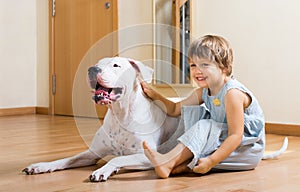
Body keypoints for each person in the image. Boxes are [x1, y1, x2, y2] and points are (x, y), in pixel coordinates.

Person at [140, 34, 265, 179]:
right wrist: (155, 95)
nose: (197, 71)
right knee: (196, 115)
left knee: (205, 124)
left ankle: (168, 162)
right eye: (193, 65)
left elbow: (236, 136)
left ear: (224, 67)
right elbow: (175, 109)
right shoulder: (203, 92)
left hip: (246, 150)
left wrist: (211, 161)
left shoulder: (232, 94)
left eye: (204, 65)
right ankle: (181, 165)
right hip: (225, 144)